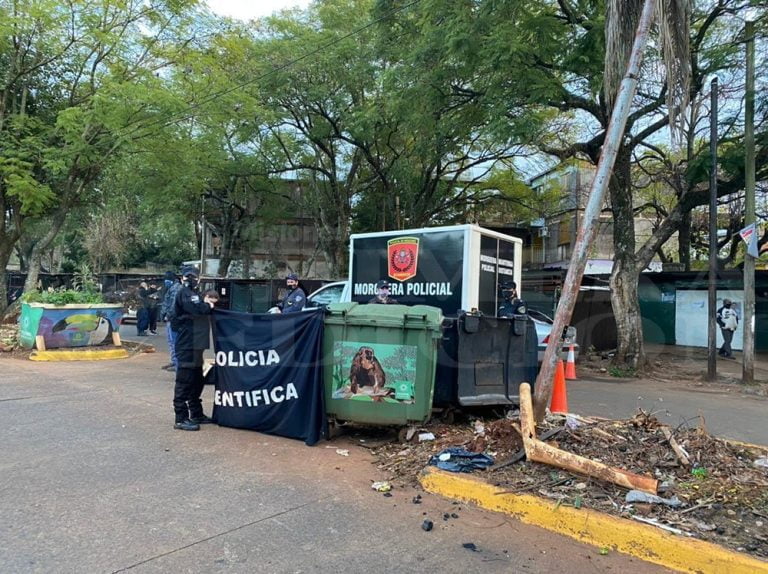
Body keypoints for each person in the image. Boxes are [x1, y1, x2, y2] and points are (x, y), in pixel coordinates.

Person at [171, 267, 217, 431]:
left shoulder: (195, 294)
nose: (193, 279)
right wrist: (208, 306)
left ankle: (196, 413)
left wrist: (208, 305)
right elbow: (197, 309)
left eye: (195, 276)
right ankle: (181, 418)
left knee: (197, 380)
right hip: (187, 345)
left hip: (196, 345)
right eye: (191, 276)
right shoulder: (186, 293)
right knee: (184, 381)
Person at [160, 271, 182, 371]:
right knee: (171, 341)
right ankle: (174, 361)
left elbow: (173, 304)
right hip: (172, 318)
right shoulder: (173, 287)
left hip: (173, 319)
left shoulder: (176, 288)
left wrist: (168, 315)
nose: (165, 282)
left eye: (166, 279)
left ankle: (176, 363)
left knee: (174, 342)